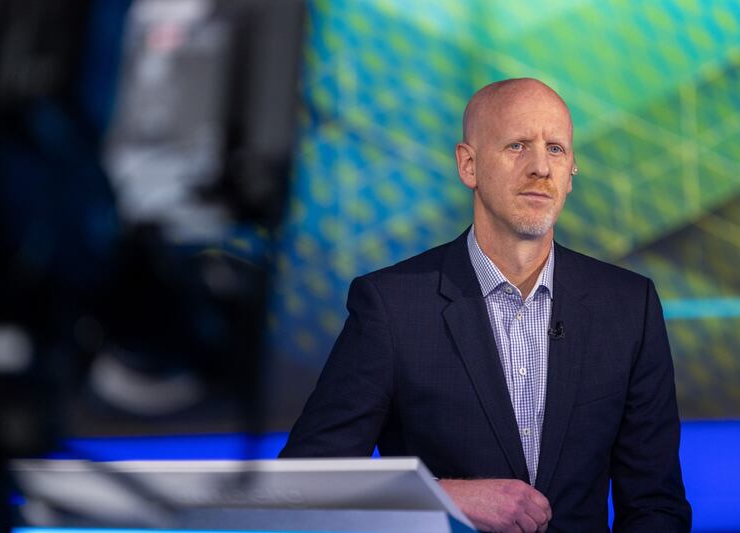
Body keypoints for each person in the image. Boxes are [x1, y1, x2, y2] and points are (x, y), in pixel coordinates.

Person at [280, 78, 691, 532]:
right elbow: (304, 483)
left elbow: (656, 506)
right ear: (468, 165)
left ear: (572, 169)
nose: (540, 167)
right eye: (517, 146)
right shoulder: (391, 307)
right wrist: (442, 496)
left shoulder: (629, 306)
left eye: (556, 149)